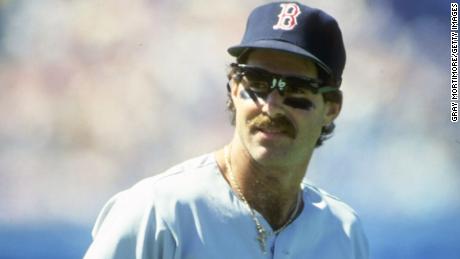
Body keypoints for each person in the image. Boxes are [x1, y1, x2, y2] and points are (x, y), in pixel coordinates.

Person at [84, 2, 369, 258]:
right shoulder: (159, 212)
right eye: (257, 82)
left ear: (331, 106)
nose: (271, 107)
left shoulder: (342, 232)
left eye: (294, 88)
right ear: (234, 87)